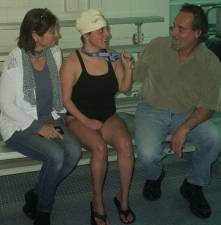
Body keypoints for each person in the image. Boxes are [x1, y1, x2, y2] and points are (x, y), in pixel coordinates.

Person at [134, 3, 221, 219]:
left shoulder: (210, 62)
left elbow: (208, 106)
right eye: (173, 26)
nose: (173, 32)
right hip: (151, 109)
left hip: (186, 113)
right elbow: (134, 78)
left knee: (214, 138)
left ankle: (193, 185)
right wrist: (124, 67)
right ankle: (155, 176)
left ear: (197, 33)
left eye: (181, 29)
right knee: (147, 153)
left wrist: (184, 128)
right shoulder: (157, 46)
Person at [0, 8, 81, 225]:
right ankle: (44, 210)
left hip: (50, 117)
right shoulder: (15, 61)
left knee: (73, 153)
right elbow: (5, 104)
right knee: (56, 156)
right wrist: (38, 127)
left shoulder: (54, 52)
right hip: (19, 124)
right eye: (53, 32)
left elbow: (60, 91)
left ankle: (36, 193)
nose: (57, 36)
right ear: (36, 36)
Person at [60, 9, 136, 225]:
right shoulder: (72, 63)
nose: (107, 35)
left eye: (106, 29)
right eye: (101, 31)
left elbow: (125, 88)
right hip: (79, 118)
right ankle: (97, 201)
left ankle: (123, 198)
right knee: (100, 149)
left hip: (107, 115)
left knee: (126, 146)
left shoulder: (110, 55)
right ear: (86, 35)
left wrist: (128, 68)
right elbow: (66, 101)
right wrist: (86, 121)